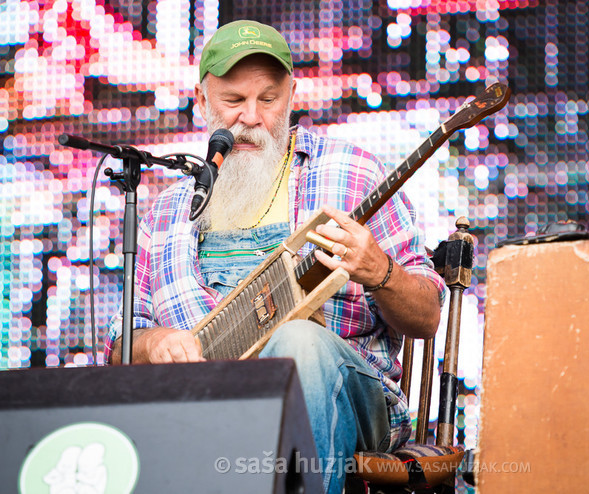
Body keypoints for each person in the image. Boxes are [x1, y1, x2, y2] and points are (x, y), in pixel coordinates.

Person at [104, 19, 445, 493]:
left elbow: (427, 316)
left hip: (344, 399)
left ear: (291, 95)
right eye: (233, 101)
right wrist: (154, 341)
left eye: (268, 99)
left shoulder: (351, 173)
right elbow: (120, 340)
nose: (251, 117)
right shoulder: (164, 209)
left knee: (298, 343)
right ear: (201, 101)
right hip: (207, 409)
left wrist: (379, 271)